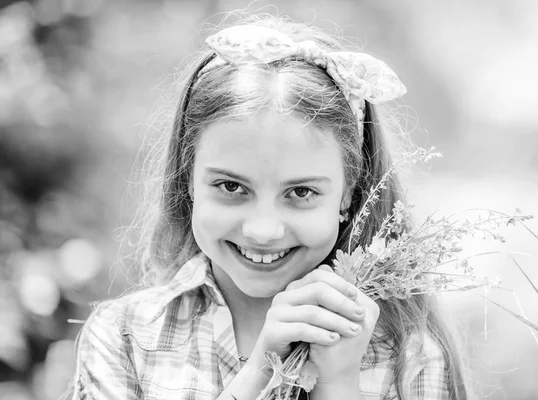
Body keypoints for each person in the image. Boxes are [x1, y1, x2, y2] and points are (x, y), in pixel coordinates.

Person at [69, 14, 470, 400]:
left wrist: (337, 384)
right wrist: (262, 368)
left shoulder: (410, 357)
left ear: (349, 194)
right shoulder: (125, 337)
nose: (263, 230)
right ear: (187, 179)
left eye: (300, 193)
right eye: (231, 186)